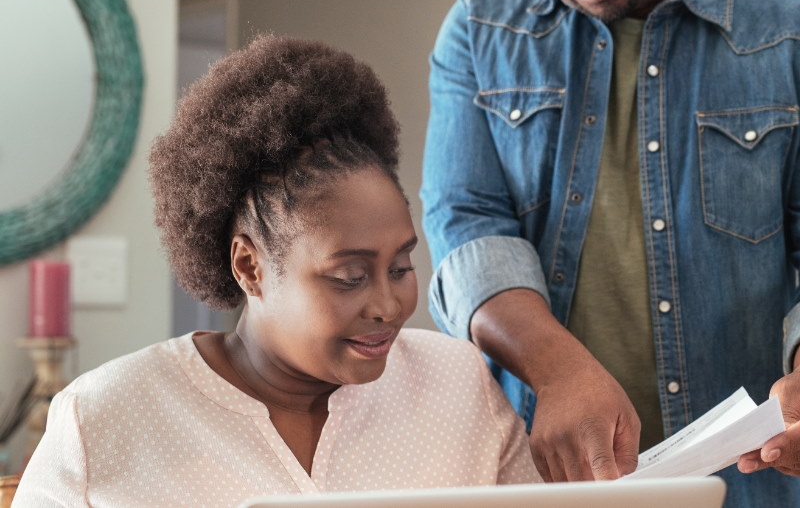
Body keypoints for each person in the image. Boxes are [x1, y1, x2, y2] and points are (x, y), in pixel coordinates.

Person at [421, 0, 800, 505]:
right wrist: (559, 371)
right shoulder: (479, 34)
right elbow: (467, 229)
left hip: (743, 485)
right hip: (530, 480)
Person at [14, 36, 541, 507]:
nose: (388, 305)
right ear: (250, 266)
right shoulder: (105, 416)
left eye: (400, 266)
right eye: (349, 277)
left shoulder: (457, 383)